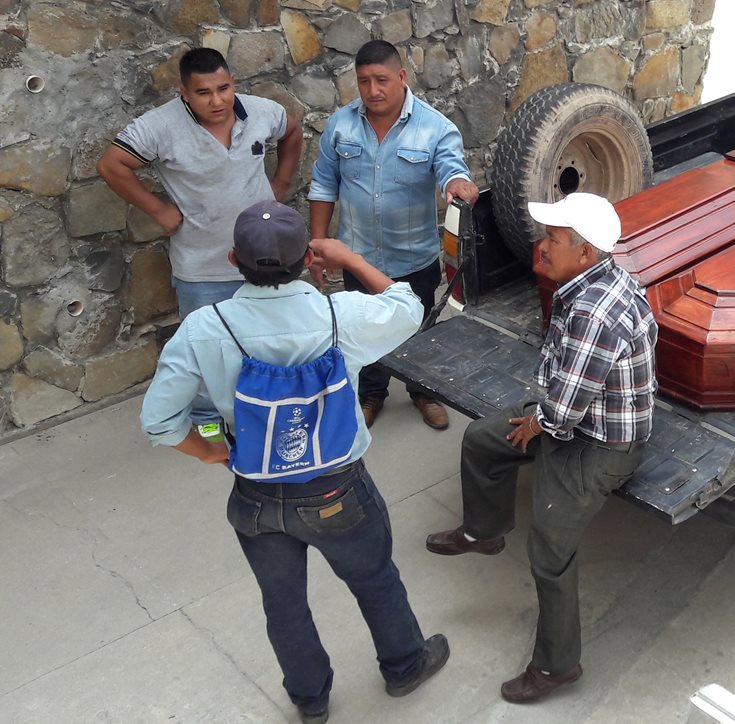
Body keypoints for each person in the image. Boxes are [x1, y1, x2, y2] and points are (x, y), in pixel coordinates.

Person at [139, 200, 449, 724]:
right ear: (308, 259)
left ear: (233, 260)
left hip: (257, 495)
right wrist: (348, 258)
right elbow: (408, 306)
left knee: (283, 603)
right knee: (375, 579)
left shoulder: (203, 328)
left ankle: (310, 700)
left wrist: (213, 451)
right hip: (337, 490)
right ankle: (404, 667)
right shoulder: (340, 315)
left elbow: (158, 422)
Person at [425, 192, 657, 703]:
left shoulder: (595, 312)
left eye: (553, 238)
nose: (543, 245)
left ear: (586, 251)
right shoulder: (590, 280)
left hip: (599, 442)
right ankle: (484, 531)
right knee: (482, 441)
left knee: (550, 547)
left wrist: (538, 423)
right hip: (569, 415)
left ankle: (556, 666)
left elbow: (565, 412)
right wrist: (541, 417)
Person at [98, 47, 302, 434]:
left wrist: (281, 182)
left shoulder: (261, 112)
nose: (217, 101)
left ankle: (270, 408)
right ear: (184, 93)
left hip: (264, 257)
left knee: (269, 340)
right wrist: (157, 209)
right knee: (206, 347)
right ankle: (208, 418)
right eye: (204, 93)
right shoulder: (160, 126)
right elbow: (111, 164)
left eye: (223, 89)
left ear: (233, 83)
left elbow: (292, 130)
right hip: (202, 266)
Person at [308, 39, 479, 431]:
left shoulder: (435, 127)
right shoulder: (340, 126)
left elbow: (451, 167)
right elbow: (323, 185)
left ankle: (424, 391)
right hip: (358, 258)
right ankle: (372, 393)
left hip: (414, 259)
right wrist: (318, 245)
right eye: (363, 81)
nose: (372, 91)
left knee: (419, 329)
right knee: (364, 330)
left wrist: (456, 182)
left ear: (402, 76)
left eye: (381, 80)